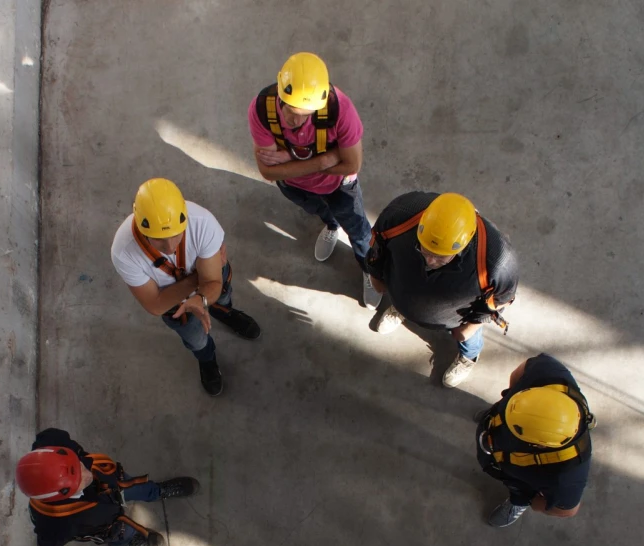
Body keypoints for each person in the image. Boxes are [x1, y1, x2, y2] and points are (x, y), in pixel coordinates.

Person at [249, 52, 378, 309]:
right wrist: (322, 161)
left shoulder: (340, 110)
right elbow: (268, 172)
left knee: (359, 231)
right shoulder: (262, 110)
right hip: (295, 188)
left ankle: (370, 269)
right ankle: (331, 226)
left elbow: (351, 165)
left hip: (340, 186)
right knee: (322, 212)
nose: (296, 121)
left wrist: (289, 159)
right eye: (291, 111)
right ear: (281, 94)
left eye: (305, 114)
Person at [110, 178, 260, 396]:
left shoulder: (202, 222)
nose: (170, 246)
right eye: (159, 240)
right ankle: (207, 359)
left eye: (175, 235)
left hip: (177, 293)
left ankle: (225, 313)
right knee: (196, 339)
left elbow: (213, 283)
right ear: (142, 229)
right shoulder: (124, 252)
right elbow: (155, 305)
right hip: (176, 305)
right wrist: (197, 277)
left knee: (222, 297)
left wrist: (201, 298)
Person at [366, 191, 518, 388]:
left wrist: (469, 328)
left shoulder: (497, 262)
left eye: (440, 257)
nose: (430, 260)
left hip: (457, 319)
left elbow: (500, 299)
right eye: (424, 249)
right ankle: (402, 309)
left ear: (463, 245)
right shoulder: (401, 214)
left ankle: (469, 356)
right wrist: (375, 276)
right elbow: (378, 245)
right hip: (404, 292)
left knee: (469, 341)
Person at [15, 428, 198, 546]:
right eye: (78, 481)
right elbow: (47, 543)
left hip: (114, 482)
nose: (88, 475)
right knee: (121, 532)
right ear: (59, 496)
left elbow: (48, 436)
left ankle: (157, 491)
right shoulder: (53, 521)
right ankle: (126, 542)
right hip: (107, 523)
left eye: (80, 465)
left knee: (135, 487)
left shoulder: (53, 443)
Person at [476, 353, 595, 527]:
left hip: (515, 475)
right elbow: (520, 371)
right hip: (498, 443)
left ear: (540, 445)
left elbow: (566, 510)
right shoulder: (549, 372)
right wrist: (498, 416)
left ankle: (518, 502)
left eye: (515, 430)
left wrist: (532, 501)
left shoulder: (566, 476)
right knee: (492, 418)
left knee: (520, 491)